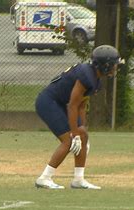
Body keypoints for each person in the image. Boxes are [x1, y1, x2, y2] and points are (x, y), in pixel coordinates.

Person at [34, 45, 123, 190]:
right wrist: (74, 133)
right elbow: (72, 105)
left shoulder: (95, 80)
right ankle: (44, 178)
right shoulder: (86, 76)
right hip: (49, 102)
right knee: (69, 140)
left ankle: (78, 179)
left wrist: (81, 129)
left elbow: (81, 105)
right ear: (105, 65)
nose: (115, 67)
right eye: (113, 64)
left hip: (63, 103)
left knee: (83, 135)